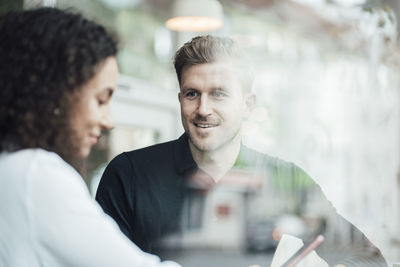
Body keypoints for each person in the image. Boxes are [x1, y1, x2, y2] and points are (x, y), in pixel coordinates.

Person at [96, 35, 388, 266]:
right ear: (180, 99)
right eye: (192, 94)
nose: (203, 109)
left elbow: (370, 259)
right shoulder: (129, 175)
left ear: (247, 105)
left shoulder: (285, 179)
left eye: (218, 94)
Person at [0, 7, 181, 267]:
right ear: (55, 93)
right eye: (100, 100)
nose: (108, 121)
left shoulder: (10, 169)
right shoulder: (35, 175)